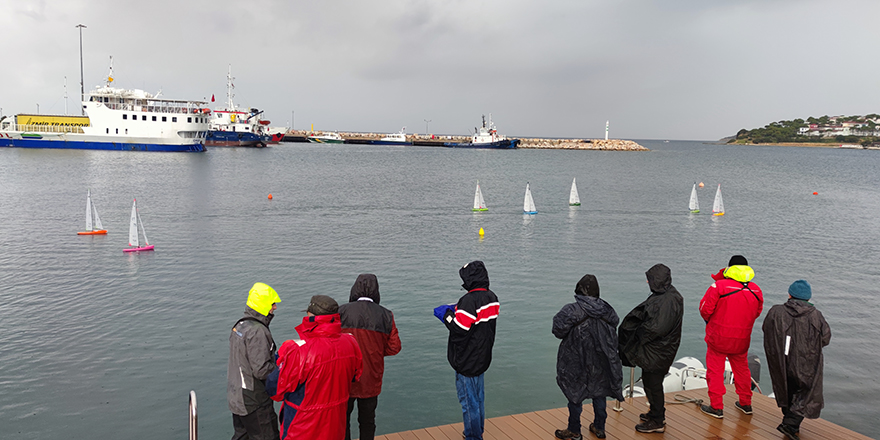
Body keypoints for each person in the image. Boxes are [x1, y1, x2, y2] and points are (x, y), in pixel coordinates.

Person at [268, 295, 363, 440]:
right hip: (335, 426)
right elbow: (355, 376)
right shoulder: (351, 342)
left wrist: (280, 362)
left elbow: (275, 390)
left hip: (302, 428)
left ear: (310, 316)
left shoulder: (297, 350)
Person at [552, 274, 624, 440]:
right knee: (600, 392)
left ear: (579, 289)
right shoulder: (607, 309)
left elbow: (558, 330)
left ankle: (574, 430)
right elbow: (615, 323)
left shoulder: (571, 310)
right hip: (601, 359)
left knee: (574, 394)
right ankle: (599, 428)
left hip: (576, 359)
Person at [618, 264, 683, 434]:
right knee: (650, 380)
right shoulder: (670, 295)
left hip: (659, 350)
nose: (647, 281)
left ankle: (657, 420)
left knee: (653, 383)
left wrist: (638, 334)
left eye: (650, 279)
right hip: (661, 349)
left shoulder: (667, 301)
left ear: (658, 280)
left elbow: (657, 328)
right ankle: (655, 413)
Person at [763, 280, 831, 440]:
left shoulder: (776, 311)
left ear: (789, 294)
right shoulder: (815, 315)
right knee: (807, 391)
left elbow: (766, 328)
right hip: (806, 360)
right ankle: (790, 424)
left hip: (780, 358)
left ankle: (790, 422)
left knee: (787, 387)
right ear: (808, 298)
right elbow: (826, 338)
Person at [438, 261, 499, 440]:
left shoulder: (468, 301)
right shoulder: (492, 297)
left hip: (466, 360)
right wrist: (458, 309)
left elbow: (459, 330)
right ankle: (477, 430)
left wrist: (446, 315)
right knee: (478, 398)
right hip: (482, 356)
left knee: (468, 402)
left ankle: (473, 436)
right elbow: (478, 322)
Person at [698, 255, 764, 418]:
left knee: (715, 371)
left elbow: (705, 309)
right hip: (742, 340)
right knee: (742, 370)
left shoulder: (719, 286)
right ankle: (745, 403)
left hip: (718, 338)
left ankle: (716, 407)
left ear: (730, 268)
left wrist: (712, 321)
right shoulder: (756, 290)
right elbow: (756, 312)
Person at [339, 274, 402, 440]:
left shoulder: (341, 311)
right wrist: (376, 352)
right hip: (371, 377)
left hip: (345, 376)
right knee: (367, 420)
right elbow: (395, 347)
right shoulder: (386, 315)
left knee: (342, 420)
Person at [227, 282, 282, 440]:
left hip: (237, 397)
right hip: (254, 401)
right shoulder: (257, 331)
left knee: (241, 436)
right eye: (272, 303)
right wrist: (283, 368)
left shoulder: (240, 326)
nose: (275, 307)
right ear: (264, 304)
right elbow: (261, 370)